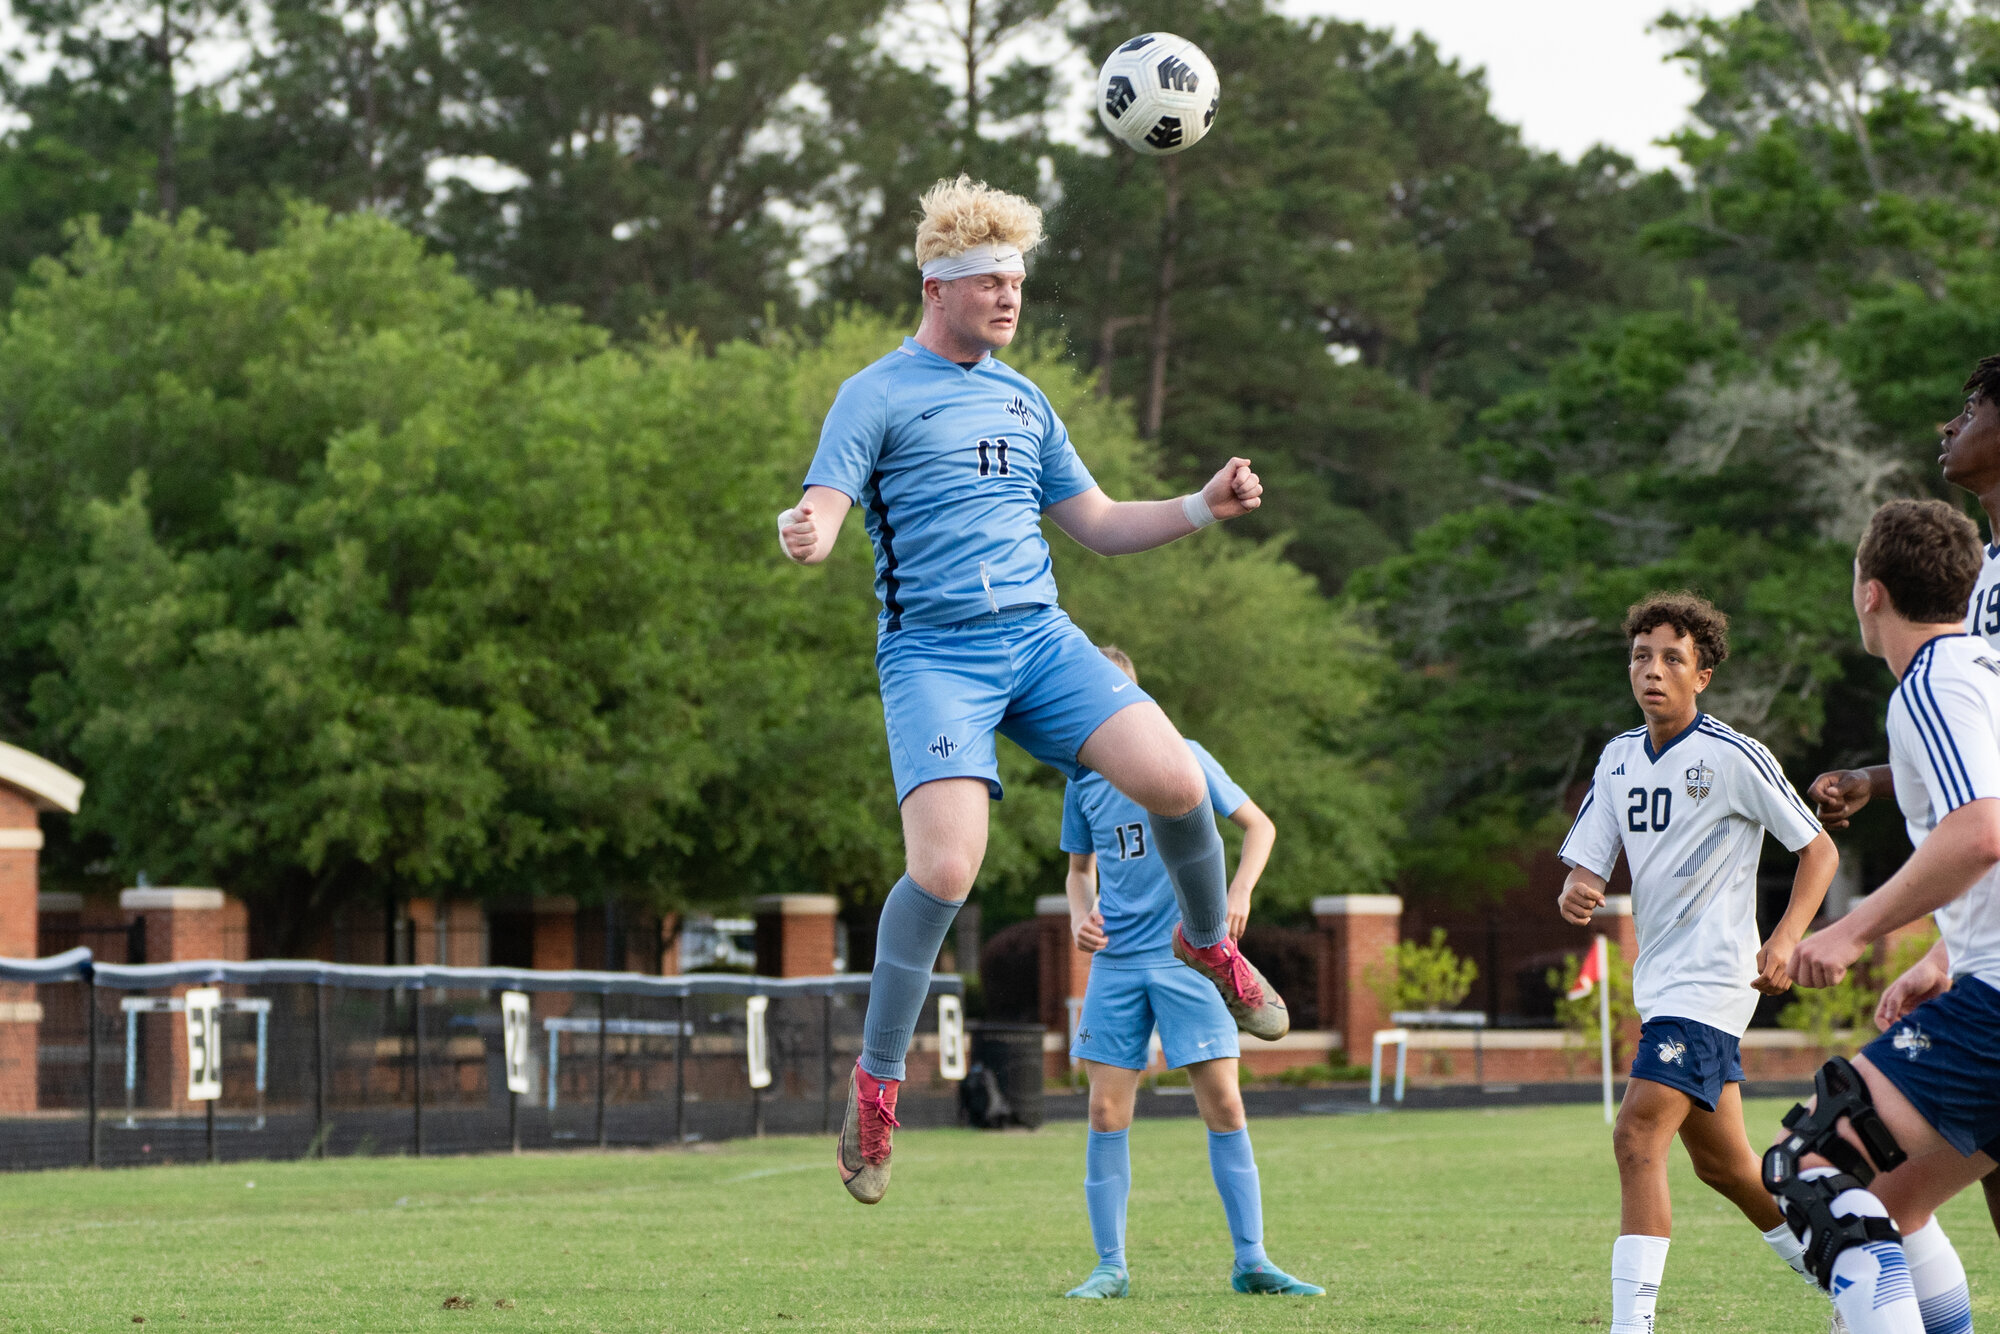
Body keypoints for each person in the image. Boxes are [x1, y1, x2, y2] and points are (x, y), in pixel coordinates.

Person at [780, 175, 1287, 1206]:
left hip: (1043, 641)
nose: (1010, 297)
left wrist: (1201, 504)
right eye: (989, 282)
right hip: (934, 656)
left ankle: (1207, 941)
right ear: (936, 287)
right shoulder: (873, 391)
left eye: (1017, 279)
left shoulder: (1023, 397)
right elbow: (823, 499)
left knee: (1178, 781)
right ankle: (875, 1084)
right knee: (944, 870)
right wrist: (810, 528)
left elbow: (1095, 523)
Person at [1556, 592, 1841, 1334]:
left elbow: (1818, 849)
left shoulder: (1733, 756)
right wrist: (1579, 888)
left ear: (1702, 675)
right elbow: (1589, 862)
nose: (1652, 670)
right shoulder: (1618, 758)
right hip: (1663, 985)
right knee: (1727, 1167)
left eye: (1672, 658)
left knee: (1635, 1136)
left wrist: (1783, 939)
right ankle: (1848, 1273)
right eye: (1641, 656)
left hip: (1713, 980)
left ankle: (1632, 1326)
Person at [1766, 498, 2000, 1334]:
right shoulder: (1985, 671)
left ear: (1870, 593)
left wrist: (1850, 927)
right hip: (1981, 984)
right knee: (1892, 1204)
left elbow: (1980, 831)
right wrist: (1945, 956)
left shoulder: (1931, 685)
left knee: (1808, 1169)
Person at [1057, 646, 1321, 1301]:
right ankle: (1110, 1268)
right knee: (1105, 1110)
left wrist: (1239, 891)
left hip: (1190, 960)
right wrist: (1080, 920)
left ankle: (1252, 1261)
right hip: (1117, 966)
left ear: (1132, 698)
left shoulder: (1183, 756)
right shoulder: (1081, 779)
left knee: (1225, 1103)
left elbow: (1259, 826)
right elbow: (1077, 873)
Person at [1807, 355, 2000, 1244]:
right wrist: (1885, 777)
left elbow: (1984, 820)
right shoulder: (1986, 581)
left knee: (1823, 1180)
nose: (1948, 425)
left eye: (1972, 408)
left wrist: (1855, 931)